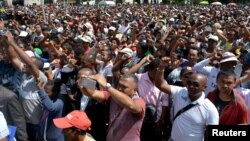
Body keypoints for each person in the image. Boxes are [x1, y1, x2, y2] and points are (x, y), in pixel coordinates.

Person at [155, 57, 219, 141]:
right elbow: (160, 85)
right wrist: (161, 67)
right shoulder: (181, 91)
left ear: (204, 87)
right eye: (189, 83)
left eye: (196, 84)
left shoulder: (210, 109)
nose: (191, 86)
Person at [79, 73, 145, 141]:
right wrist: (84, 81)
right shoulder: (113, 97)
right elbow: (92, 93)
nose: (119, 88)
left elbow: (132, 106)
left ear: (135, 90)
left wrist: (107, 85)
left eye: (124, 87)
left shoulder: (139, 101)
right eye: (119, 85)